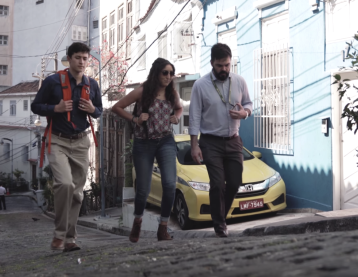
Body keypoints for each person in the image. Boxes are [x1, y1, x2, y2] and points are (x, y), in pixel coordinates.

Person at [31, 42, 102, 252]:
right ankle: (59, 234)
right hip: (57, 140)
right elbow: (36, 105)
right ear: (69, 59)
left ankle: (70, 239)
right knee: (65, 184)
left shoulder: (92, 85)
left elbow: (99, 110)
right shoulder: (53, 82)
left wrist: (92, 109)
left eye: (85, 58)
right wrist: (56, 108)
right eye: (77, 58)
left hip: (81, 142)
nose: (81, 62)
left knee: (78, 194)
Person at [112, 58, 182, 243]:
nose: (168, 76)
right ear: (156, 73)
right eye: (165, 72)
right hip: (143, 143)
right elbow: (117, 107)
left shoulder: (172, 93)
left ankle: (163, 228)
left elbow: (180, 108)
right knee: (143, 189)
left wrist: (176, 116)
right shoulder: (143, 92)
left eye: (171, 73)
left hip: (166, 141)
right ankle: (137, 222)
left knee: (169, 184)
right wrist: (135, 119)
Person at [189, 43, 252, 238]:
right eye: (219, 66)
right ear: (211, 63)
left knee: (234, 183)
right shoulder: (200, 85)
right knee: (217, 184)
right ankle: (219, 224)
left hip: (234, 140)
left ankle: (220, 217)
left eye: (227, 65)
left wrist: (245, 113)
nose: (224, 69)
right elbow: (194, 116)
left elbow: (249, 104)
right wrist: (194, 145)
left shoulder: (239, 81)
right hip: (210, 141)